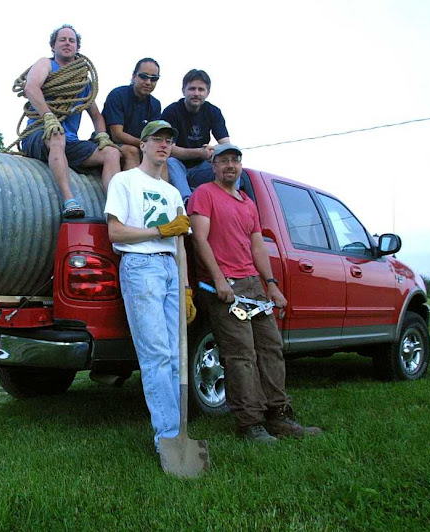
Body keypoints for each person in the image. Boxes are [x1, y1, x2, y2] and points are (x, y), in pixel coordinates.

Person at [188, 143, 322, 444]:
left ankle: (280, 416)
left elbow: (257, 246)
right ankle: (250, 424)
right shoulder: (204, 195)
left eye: (235, 160)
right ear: (214, 166)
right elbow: (200, 239)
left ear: (240, 165)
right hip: (223, 286)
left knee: (271, 347)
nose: (230, 166)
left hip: (253, 284)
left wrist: (271, 284)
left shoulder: (248, 203)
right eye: (223, 161)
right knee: (241, 354)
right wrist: (219, 280)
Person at [105, 120, 197, 453]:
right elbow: (115, 232)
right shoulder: (124, 181)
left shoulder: (173, 192)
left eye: (168, 141)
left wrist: (186, 289)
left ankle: (177, 431)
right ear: (142, 145)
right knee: (157, 354)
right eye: (156, 139)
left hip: (171, 269)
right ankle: (168, 437)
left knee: (175, 355)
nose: (163, 145)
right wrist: (160, 231)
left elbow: (181, 244)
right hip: (141, 266)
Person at [21, 24, 121, 219]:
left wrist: (102, 135)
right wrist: (48, 117)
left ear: (77, 47)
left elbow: (96, 115)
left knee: (111, 153)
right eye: (62, 40)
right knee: (57, 135)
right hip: (39, 135)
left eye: (71, 40)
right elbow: (31, 88)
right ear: (53, 46)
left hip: (70, 142)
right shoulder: (46, 65)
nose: (67, 43)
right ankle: (69, 199)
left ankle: (115, 208)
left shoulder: (83, 82)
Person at [162, 69, 230, 203]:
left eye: (201, 89)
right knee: (170, 162)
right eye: (192, 89)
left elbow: (226, 144)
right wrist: (199, 152)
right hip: (177, 167)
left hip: (201, 168)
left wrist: (213, 150)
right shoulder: (172, 111)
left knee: (231, 165)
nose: (196, 93)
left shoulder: (213, 111)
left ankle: (230, 202)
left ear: (208, 92)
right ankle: (188, 202)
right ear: (183, 91)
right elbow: (169, 149)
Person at [102, 58, 162, 170]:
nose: (148, 82)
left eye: (154, 79)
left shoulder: (155, 104)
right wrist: (146, 144)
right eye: (144, 76)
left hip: (141, 146)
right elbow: (117, 134)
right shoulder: (117, 95)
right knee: (132, 151)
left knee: (161, 157)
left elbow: (154, 136)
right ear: (134, 76)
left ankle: (160, 187)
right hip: (111, 144)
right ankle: (133, 188)